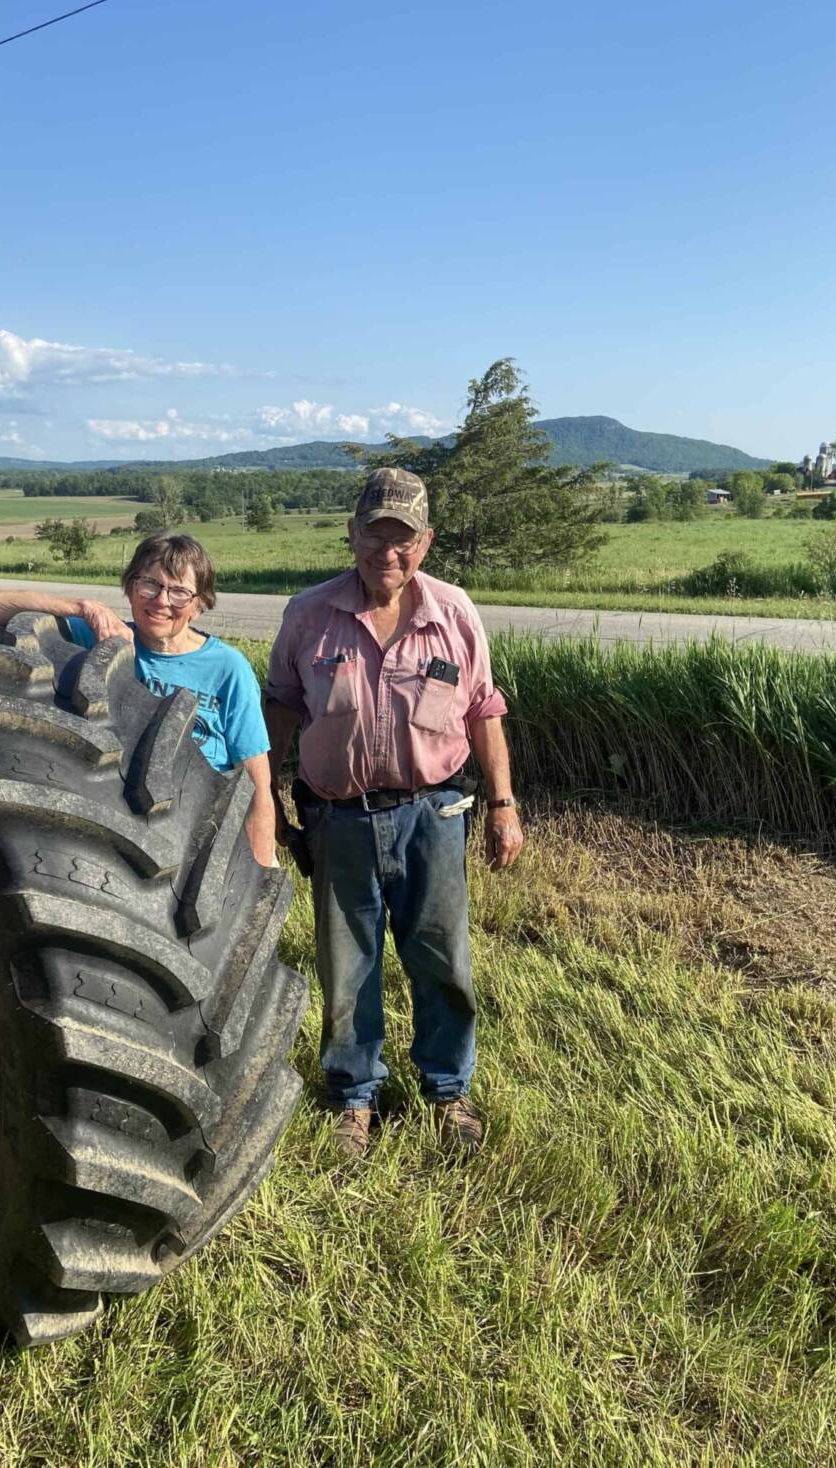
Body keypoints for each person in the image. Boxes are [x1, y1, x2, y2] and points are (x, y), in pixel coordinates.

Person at [264, 467, 524, 1158]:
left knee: (441, 961)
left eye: (402, 539)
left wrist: (502, 804)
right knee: (348, 966)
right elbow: (282, 705)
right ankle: (354, 1098)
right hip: (336, 818)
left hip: (431, 815)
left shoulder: (454, 612)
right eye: (374, 535)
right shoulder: (308, 614)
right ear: (351, 536)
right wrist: (265, 796)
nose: (388, 553)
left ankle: (446, 1089)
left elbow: (483, 711)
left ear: (425, 542)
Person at [0, 532, 275, 866]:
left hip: (197, 827)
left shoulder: (227, 668)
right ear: (130, 588)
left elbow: (256, 785)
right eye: (149, 585)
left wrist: (260, 865)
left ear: (199, 605)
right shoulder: (102, 641)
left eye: (179, 593)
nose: (161, 601)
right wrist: (81, 607)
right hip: (117, 819)